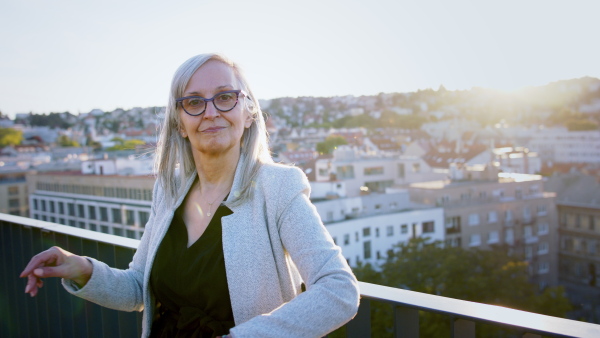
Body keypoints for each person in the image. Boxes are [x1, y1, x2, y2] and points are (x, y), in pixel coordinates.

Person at [20, 53, 360, 338]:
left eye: (225, 97)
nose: (211, 112)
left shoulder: (277, 187)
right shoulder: (169, 191)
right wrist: (81, 268)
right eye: (194, 102)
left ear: (248, 111)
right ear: (180, 123)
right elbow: (139, 288)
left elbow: (338, 289)